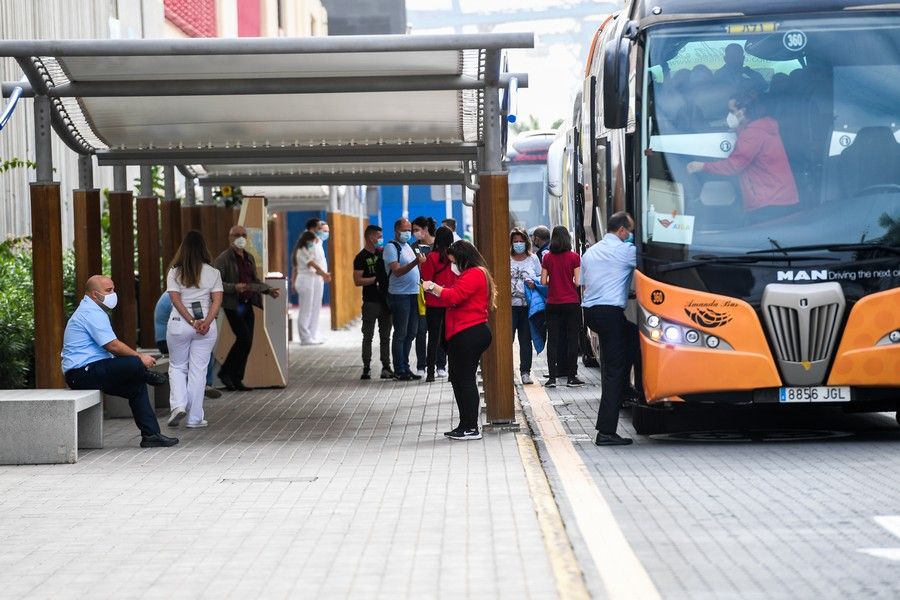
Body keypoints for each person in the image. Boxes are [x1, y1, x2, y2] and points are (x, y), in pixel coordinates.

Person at [62, 275, 178, 448]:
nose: (113, 294)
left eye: (113, 289)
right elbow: (113, 346)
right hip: (81, 373)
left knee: (136, 385)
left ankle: (151, 435)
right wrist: (140, 358)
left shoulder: (94, 310)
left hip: (95, 369)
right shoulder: (89, 312)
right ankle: (146, 374)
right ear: (95, 294)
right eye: (109, 291)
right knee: (133, 362)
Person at [687, 91, 799, 221]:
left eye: (732, 111)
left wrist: (702, 166)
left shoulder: (753, 134)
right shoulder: (762, 127)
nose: (730, 116)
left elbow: (734, 165)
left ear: (743, 111)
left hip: (768, 201)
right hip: (779, 197)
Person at [422, 240, 495, 440]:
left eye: (454, 261)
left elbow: (454, 297)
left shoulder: (474, 274)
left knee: (464, 379)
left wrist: (433, 287)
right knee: (459, 378)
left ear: (464, 259)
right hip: (465, 332)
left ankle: (471, 427)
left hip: (469, 332)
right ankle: (465, 424)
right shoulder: (472, 273)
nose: (452, 266)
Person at [581, 212, 641, 446]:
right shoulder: (626, 251)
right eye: (631, 231)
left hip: (592, 314)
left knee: (634, 338)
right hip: (610, 314)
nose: (631, 235)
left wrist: (625, 293)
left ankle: (626, 390)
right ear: (623, 231)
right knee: (613, 371)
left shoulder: (591, 252)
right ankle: (606, 432)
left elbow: (591, 283)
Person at [164, 231, 223, 429]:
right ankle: (195, 418)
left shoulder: (174, 271)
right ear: (203, 248)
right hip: (206, 327)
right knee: (198, 371)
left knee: (178, 366)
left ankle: (178, 406)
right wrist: (205, 321)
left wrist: (190, 320)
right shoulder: (214, 273)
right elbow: (217, 301)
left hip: (179, 323)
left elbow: (174, 299)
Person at [214, 225, 281, 391]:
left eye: (244, 235)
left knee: (248, 341)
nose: (241, 237)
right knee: (243, 338)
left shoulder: (249, 257)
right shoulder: (223, 259)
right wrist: (234, 287)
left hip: (247, 303)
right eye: (237, 234)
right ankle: (225, 372)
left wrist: (268, 290)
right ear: (230, 238)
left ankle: (237, 378)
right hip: (233, 305)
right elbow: (216, 284)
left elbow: (254, 281)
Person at [154, 291, 220, 399]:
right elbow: (190, 318)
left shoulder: (171, 294)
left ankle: (202, 385)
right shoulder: (176, 297)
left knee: (202, 348)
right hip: (167, 341)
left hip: (166, 339)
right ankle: (203, 385)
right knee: (204, 350)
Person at [541, 226, 584, 388]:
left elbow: (543, 282)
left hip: (552, 304)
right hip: (571, 303)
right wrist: (567, 281)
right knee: (572, 339)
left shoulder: (547, 258)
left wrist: (556, 281)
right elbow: (578, 282)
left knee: (553, 340)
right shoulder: (574, 257)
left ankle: (552, 378)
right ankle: (572, 377)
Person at [383, 218, 426, 381]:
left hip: (413, 293)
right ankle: (399, 368)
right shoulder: (391, 247)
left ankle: (406, 367)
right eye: (405, 230)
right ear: (396, 230)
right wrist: (416, 262)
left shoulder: (407, 246)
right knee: (401, 333)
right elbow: (397, 271)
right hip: (399, 295)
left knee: (411, 332)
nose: (408, 233)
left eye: (410, 230)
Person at [353, 225, 393, 380]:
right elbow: (357, 281)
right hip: (370, 302)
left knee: (385, 337)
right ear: (370, 237)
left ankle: (386, 367)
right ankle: (367, 367)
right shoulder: (361, 257)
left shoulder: (384, 254)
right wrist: (376, 280)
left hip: (386, 302)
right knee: (368, 336)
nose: (381, 239)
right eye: (379, 236)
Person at [419, 226, 456, 382]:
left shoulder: (432, 257)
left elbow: (425, 281)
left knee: (433, 338)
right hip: (450, 302)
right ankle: (450, 371)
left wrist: (422, 264)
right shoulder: (455, 257)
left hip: (434, 303)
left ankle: (430, 374)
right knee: (449, 338)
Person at [509, 228, 542, 385]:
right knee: (506, 339)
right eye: (515, 241)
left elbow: (542, 279)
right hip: (509, 307)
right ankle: (506, 371)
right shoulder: (506, 258)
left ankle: (525, 372)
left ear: (526, 242)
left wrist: (533, 283)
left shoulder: (533, 259)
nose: (518, 244)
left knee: (525, 340)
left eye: (521, 241)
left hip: (527, 306)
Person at [293, 230, 331, 345]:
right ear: (307, 240)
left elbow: (313, 268)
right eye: (312, 241)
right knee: (305, 310)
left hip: (308, 279)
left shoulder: (306, 250)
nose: (313, 244)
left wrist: (324, 275)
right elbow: (312, 264)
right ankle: (304, 338)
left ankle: (309, 335)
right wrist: (324, 274)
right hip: (304, 280)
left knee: (309, 309)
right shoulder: (302, 250)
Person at [411, 216, 437, 376]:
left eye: (416, 229)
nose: (414, 233)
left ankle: (438, 365)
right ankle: (421, 365)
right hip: (420, 293)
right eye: (413, 230)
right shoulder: (413, 247)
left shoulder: (438, 245)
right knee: (421, 331)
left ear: (425, 229)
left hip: (437, 292)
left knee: (437, 331)